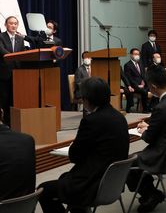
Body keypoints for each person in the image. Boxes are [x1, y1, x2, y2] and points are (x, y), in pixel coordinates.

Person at [38, 77, 129, 213]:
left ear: (87, 99)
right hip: (114, 182)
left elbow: (75, 157)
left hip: (92, 183)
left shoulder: (91, 121)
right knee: (65, 180)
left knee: (43, 190)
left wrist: (75, 144)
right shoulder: (119, 117)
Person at [126, 65, 166, 213]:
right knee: (134, 161)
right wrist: (150, 126)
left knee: (127, 163)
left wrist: (143, 130)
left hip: (162, 154)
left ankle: (151, 194)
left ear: (153, 87)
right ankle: (151, 193)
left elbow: (149, 138)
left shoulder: (162, 107)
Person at [0, 16, 26, 125]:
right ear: (6, 25)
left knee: (14, 100)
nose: (13, 25)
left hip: (17, 74)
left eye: (15, 24)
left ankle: (12, 122)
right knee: (3, 100)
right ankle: (0, 123)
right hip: (3, 74)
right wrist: (14, 56)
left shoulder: (20, 39)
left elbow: (23, 54)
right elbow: (0, 49)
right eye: (11, 23)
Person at [124, 48, 150, 112]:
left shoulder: (141, 63)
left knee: (155, 89)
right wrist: (137, 85)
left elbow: (143, 75)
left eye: (138, 54)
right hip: (134, 85)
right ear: (131, 55)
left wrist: (144, 81)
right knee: (144, 92)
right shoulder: (127, 65)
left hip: (143, 85)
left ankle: (151, 106)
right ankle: (145, 109)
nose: (137, 55)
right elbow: (129, 78)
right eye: (135, 54)